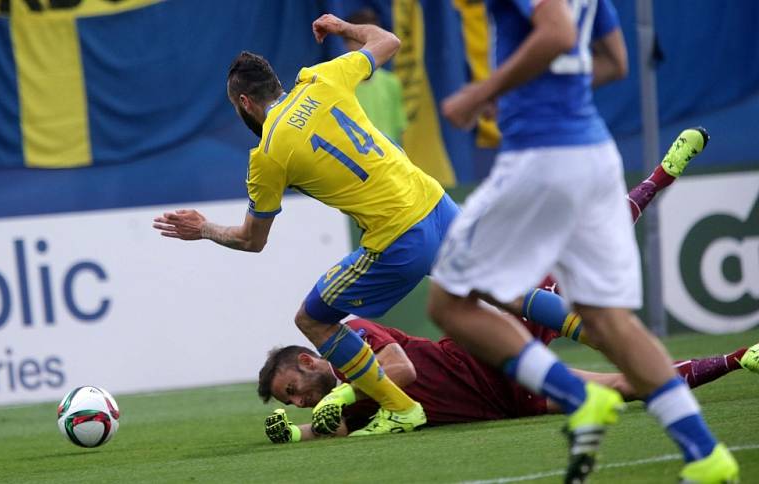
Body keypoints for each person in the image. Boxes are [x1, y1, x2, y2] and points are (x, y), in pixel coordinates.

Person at [427, 0, 739, 482]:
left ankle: (578, 397)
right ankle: (706, 455)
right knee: (609, 320)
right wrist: (532, 92)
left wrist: (483, 93)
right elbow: (615, 61)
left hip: (540, 158)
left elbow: (555, 33)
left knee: (451, 302)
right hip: (593, 156)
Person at [152, 13, 459, 436]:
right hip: (435, 201)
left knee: (312, 319)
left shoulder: (268, 155)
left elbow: (251, 240)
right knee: (510, 294)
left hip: (397, 234)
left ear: (245, 103)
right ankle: (584, 331)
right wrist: (343, 28)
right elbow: (388, 39)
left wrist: (204, 229)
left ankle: (401, 408)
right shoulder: (321, 79)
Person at [258, 317, 759, 443]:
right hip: (508, 402)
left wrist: (344, 390)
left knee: (556, 287)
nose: (299, 402)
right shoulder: (345, 407)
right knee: (628, 388)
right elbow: (339, 428)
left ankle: (656, 180)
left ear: (307, 362)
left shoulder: (350, 338)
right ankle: (742, 358)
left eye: (292, 392)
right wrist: (295, 437)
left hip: (486, 355)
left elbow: (401, 371)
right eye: (292, 402)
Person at [342, 8, 408, 145]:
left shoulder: (392, 82)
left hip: (390, 159)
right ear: (348, 44)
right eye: (360, 41)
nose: (369, 48)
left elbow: (400, 129)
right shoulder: (340, 83)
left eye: (375, 42)